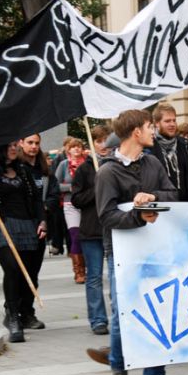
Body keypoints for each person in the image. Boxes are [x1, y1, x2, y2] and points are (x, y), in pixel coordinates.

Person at [95, 109, 177, 375]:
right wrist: (139, 217)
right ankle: (119, 365)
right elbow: (106, 216)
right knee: (122, 315)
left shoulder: (153, 162)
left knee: (158, 312)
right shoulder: (107, 171)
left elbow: (173, 194)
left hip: (155, 249)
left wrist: (153, 197)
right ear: (135, 133)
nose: (153, 131)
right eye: (148, 127)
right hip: (121, 253)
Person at [0, 142, 47, 342]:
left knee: (26, 272)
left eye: (14, 145)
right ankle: (13, 319)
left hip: (26, 225)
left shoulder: (24, 171)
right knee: (12, 269)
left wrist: (42, 221)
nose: (13, 148)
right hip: (2, 226)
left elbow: (37, 199)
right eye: (9, 145)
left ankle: (22, 312)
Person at [71, 124, 112, 335]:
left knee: (115, 275)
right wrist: (96, 189)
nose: (103, 145)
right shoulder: (85, 169)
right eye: (98, 141)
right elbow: (76, 199)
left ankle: (119, 315)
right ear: (92, 143)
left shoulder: (117, 164)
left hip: (114, 227)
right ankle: (98, 319)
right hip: (92, 228)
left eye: (106, 140)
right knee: (94, 276)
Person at [17, 133, 58, 329]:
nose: (33, 146)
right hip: (21, 225)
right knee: (18, 272)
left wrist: (45, 210)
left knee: (33, 272)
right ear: (21, 144)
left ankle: (27, 311)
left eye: (36, 143)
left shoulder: (44, 171)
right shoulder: (17, 168)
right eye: (29, 143)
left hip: (41, 225)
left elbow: (53, 194)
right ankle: (14, 310)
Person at [149, 103, 188, 202]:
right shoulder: (150, 147)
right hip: (161, 205)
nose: (172, 124)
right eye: (167, 121)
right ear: (157, 123)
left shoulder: (184, 145)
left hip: (185, 204)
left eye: (174, 120)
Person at [55, 138, 87, 284]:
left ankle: (88, 268)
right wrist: (70, 188)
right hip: (70, 204)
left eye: (78, 147)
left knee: (88, 237)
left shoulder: (88, 162)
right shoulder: (64, 164)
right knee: (75, 236)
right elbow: (55, 185)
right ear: (68, 149)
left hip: (87, 204)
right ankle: (79, 271)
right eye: (73, 147)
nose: (76, 149)